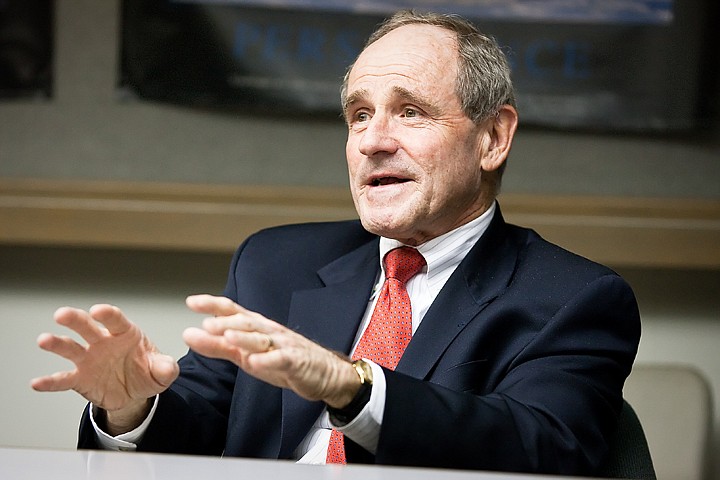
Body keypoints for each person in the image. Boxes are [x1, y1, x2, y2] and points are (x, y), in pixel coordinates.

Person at [32, 9, 640, 476]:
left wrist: (353, 387)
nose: (372, 141)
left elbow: (544, 451)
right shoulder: (276, 262)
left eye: (410, 112)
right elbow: (196, 426)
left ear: (493, 138)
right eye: (359, 115)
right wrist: (131, 409)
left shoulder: (573, 297)